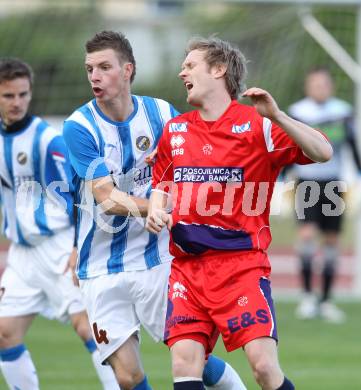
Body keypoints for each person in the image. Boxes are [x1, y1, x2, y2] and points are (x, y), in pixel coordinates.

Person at [146, 36, 333, 390]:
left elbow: (323, 151)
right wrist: (156, 210)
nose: (180, 71)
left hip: (241, 267)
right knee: (186, 363)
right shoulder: (176, 129)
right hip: (187, 270)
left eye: (190, 65)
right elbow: (161, 186)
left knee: (263, 367)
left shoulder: (257, 124)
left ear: (219, 70)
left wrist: (276, 115)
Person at [63, 30, 246, 390]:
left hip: (157, 261)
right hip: (100, 267)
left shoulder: (161, 113)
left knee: (198, 362)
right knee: (128, 377)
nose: (95, 77)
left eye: (104, 67)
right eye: (89, 69)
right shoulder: (79, 127)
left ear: (128, 69)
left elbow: (195, 161)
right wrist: (157, 208)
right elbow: (107, 197)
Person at [0, 58, 118, 390]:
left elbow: (83, 193)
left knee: (90, 329)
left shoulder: (47, 141)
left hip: (58, 247)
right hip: (22, 254)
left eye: (23, 94)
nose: (17, 102)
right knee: (5, 333)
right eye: (9, 96)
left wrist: (78, 246)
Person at [288, 67, 361, 323]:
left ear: (331, 86)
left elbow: (352, 145)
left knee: (331, 241)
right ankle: (308, 297)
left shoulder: (342, 111)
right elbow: (289, 144)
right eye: (315, 84)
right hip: (306, 182)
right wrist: (281, 175)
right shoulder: (298, 112)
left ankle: (327, 299)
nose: (320, 88)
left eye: (324, 84)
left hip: (333, 184)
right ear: (308, 87)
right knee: (307, 236)